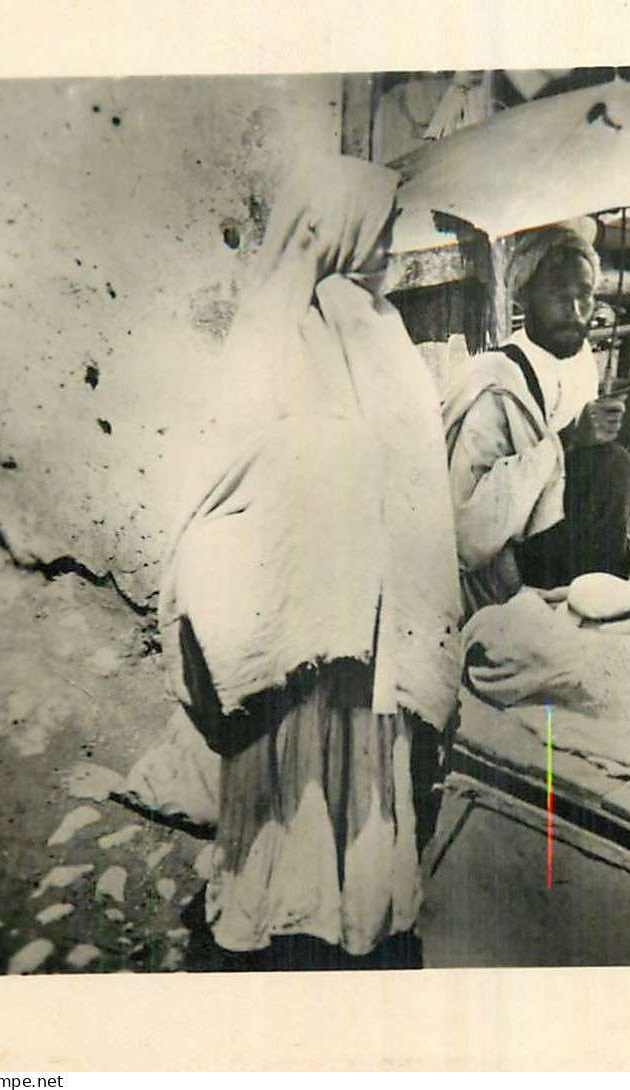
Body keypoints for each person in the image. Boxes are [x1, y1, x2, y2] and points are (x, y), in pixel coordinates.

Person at [157, 154, 463, 970]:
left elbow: (410, 472)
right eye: (383, 233)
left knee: (361, 774)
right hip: (300, 625)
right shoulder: (273, 335)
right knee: (292, 780)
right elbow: (225, 474)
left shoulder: (380, 329)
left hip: (373, 624)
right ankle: (276, 915)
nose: (392, 252)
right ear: (340, 233)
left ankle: (356, 913)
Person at [441, 221, 630, 617]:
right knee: (610, 465)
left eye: (584, 295)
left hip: (562, 546)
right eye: (558, 295)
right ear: (524, 297)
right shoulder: (494, 383)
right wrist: (567, 441)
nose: (576, 311)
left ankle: (603, 604)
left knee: (612, 463)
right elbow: (469, 531)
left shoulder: (580, 360)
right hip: (507, 568)